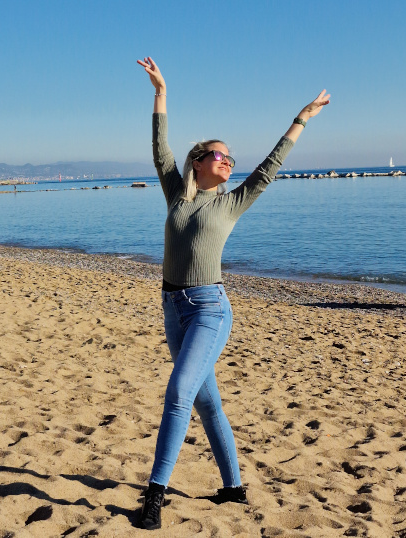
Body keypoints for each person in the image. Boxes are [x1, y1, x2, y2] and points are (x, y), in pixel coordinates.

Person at [134, 56, 330, 530]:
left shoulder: (233, 202)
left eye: (231, 160)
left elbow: (269, 168)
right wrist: (161, 92)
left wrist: (299, 120)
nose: (228, 162)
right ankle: (233, 487)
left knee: (179, 391)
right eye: (220, 156)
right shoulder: (176, 193)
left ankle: (155, 495)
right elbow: (160, 150)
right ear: (197, 162)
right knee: (206, 402)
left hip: (209, 309)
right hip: (172, 308)